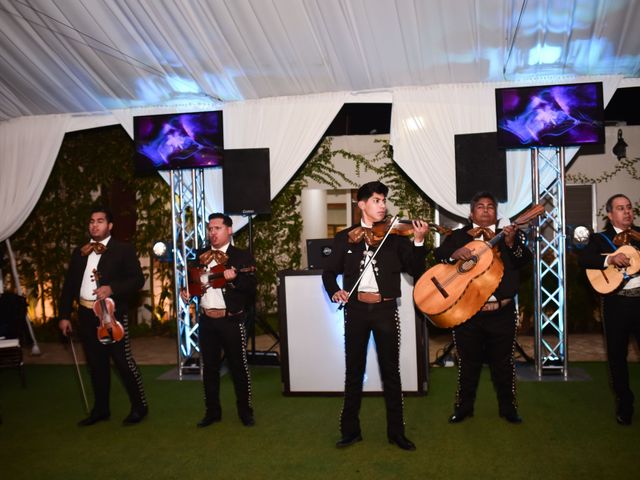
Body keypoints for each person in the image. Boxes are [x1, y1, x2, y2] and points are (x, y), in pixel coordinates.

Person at [322, 181, 429, 451]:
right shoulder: (345, 238)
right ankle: (350, 431)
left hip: (385, 310)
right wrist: (335, 291)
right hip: (356, 311)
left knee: (391, 372)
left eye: (384, 201)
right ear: (362, 204)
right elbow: (328, 272)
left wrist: (418, 241)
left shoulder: (395, 238)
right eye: (377, 201)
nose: (383, 206)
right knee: (354, 371)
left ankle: (396, 433)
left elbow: (416, 271)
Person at [435, 192, 531, 424]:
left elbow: (523, 260)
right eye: (480, 206)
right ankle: (463, 408)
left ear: (496, 213)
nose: (486, 210)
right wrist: (452, 255)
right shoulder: (458, 236)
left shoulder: (509, 234)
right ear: (471, 212)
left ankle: (508, 409)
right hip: (468, 313)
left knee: (504, 364)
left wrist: (509, 244)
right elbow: (439, 256)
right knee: (467, 364)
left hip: (502, 312)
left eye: (491, 206)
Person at [59, 207, 147, 426]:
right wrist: (64, 315)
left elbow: (137, 280)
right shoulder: (80, 252)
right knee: (96, 364)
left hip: (111, 314)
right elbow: (69, 286)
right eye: (91, 221)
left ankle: (139, 406)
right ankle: (101, 410)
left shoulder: (123, 249)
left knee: (122, 362)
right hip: (86, 315)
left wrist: (112, 288)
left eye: (99, 221)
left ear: (110, 226)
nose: (94, 225)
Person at [182, 213, 257, 428]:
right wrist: (186, 292)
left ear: (229, 230)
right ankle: (212, 412)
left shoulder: (241, 257)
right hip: (207, 321)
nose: (212, 232)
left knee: (238, 367)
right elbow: (191, 282)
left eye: (217, 228)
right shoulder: (200, 255)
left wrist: (232, 281)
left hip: (230, 320)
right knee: (210, 369)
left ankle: (245, 412)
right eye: (210, 229)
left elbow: (250, 287)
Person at [578, 194, 640, 426]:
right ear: (610, 214)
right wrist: (611, 259)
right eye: (620, 208)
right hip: (617, 304)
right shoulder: (600, 239)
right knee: (617, 358)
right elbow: (585, 260)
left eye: (629, 207)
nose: (626, 212)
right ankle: (625, 405)